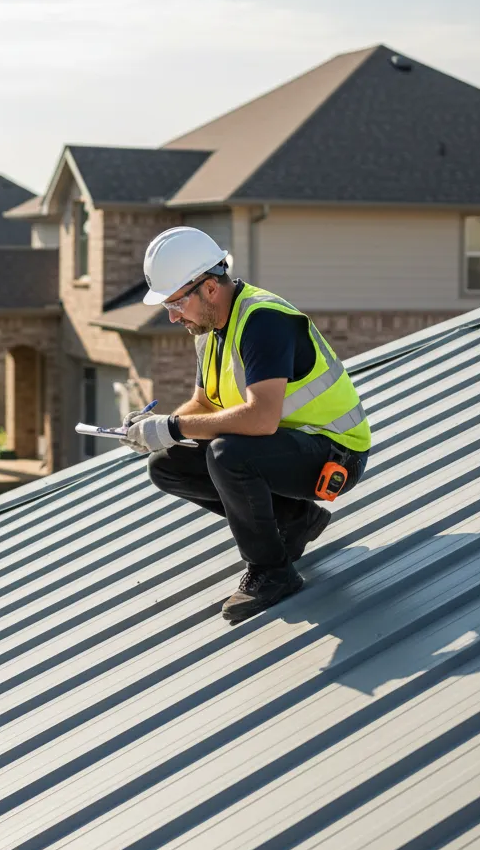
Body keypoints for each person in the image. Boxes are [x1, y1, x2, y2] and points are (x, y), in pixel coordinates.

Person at [122, 227, 371, 622]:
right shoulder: (209, 328)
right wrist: (160, 427)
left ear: (208, 288)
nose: (171, 316)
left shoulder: (263, 320)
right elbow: (205, 403)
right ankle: (296, 519)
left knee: (228, 455)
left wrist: (174, 427)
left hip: (334, 453)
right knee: (167, 464)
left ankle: (273, 573)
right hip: (286, 449)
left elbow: (261, 417)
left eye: (176, 303)